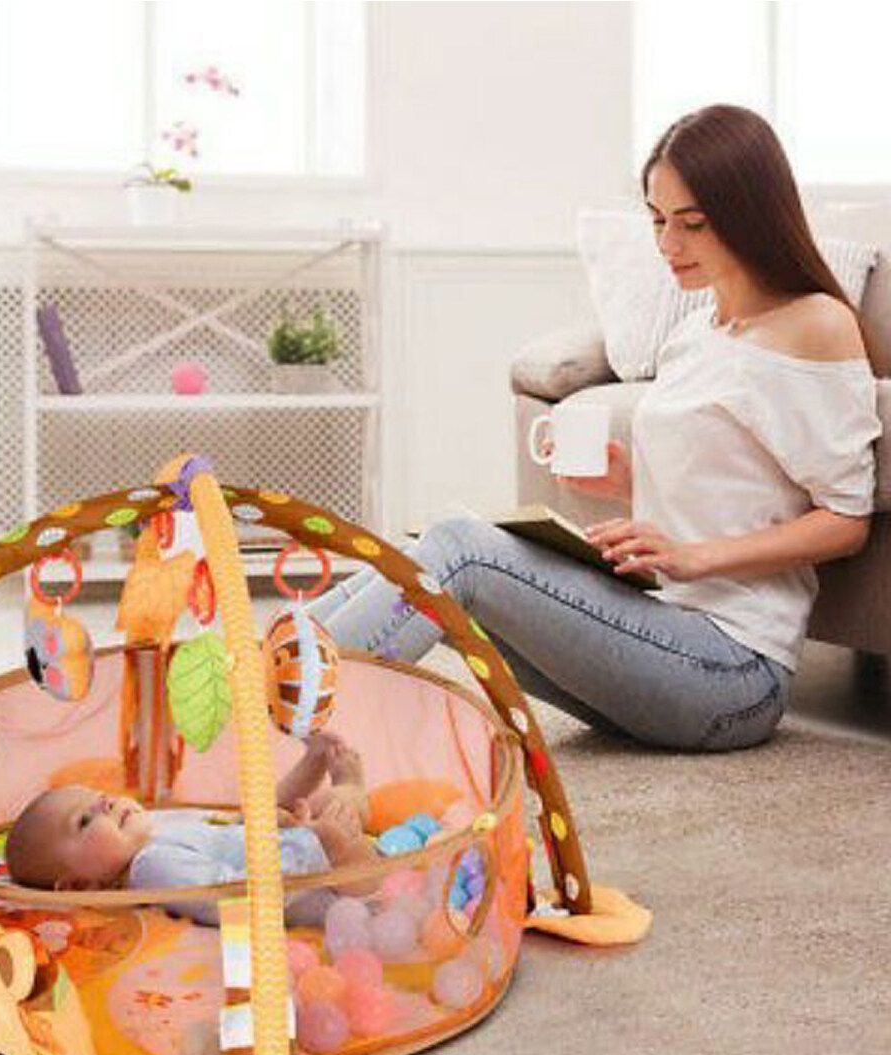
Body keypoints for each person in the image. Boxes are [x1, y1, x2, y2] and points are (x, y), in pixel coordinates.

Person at [308, 105, 881, 752]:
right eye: (658, 220)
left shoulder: (815, 324)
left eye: (692, 223)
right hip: (661, 626)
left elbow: (847, 520)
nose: (668, 245)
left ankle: (285, 721)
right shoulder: (694, 334)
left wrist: (697, 557)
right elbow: (727, 486)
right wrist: (628, 482)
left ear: (750, 212)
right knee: (440, 541)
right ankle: (259, 673)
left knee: (461, 549)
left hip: (734, 673)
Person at [4, 732, 377, 923]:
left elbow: (241, 821)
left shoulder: (149, 828)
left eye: (99, 796)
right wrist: (317, 844)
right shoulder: (151, 868)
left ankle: (320, 768)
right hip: (328, 894)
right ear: (80, 886)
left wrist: (294, 811)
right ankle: (352, 791)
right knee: (338, 810)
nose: (105, 803)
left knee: (279, 811)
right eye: (84, 820)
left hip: (288, 854)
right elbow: (238, 898)